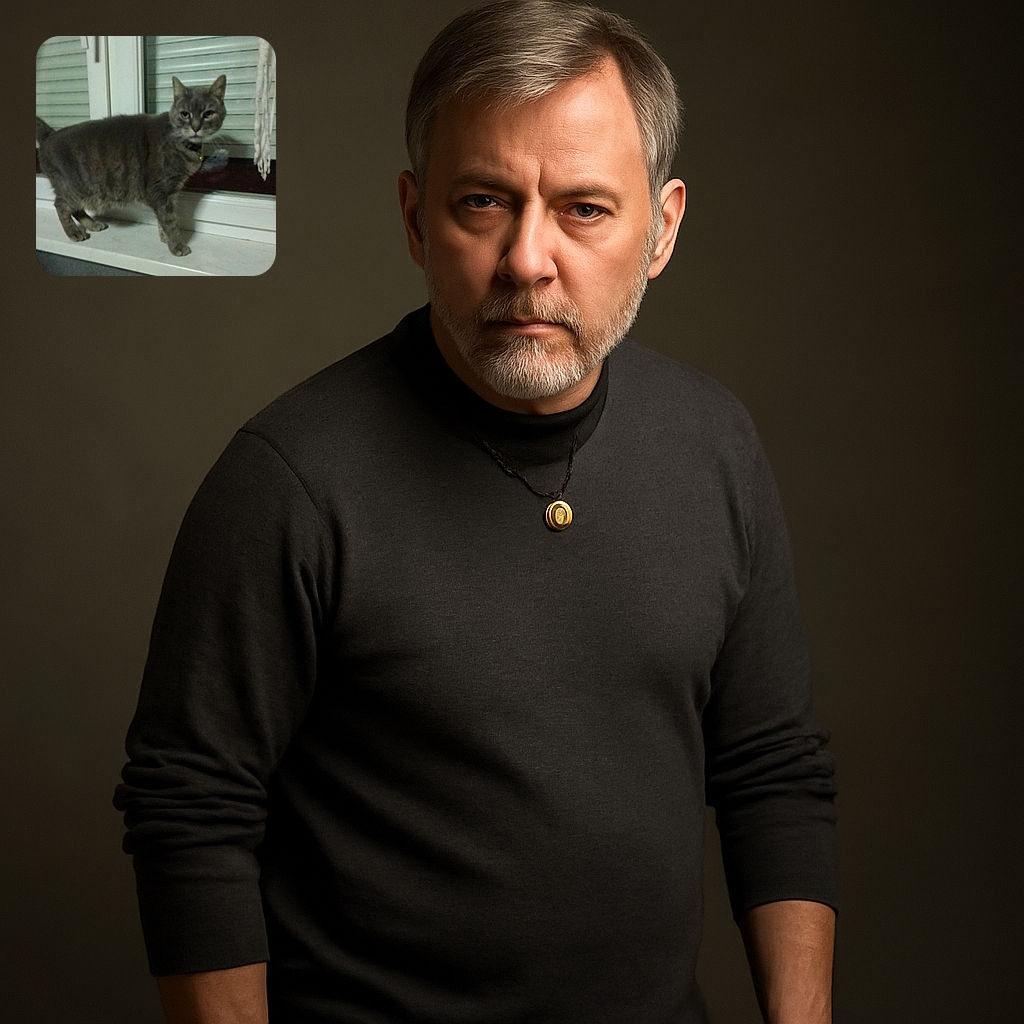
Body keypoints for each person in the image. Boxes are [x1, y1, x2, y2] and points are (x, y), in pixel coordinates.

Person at [115, 2, 838, 1022]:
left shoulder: (715, 444)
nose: (528, 260)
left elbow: (774, 770)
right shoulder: (288, 479)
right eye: (483, 203)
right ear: (416, 218)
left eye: (584, 209)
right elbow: (190, 812)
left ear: (662, 230)